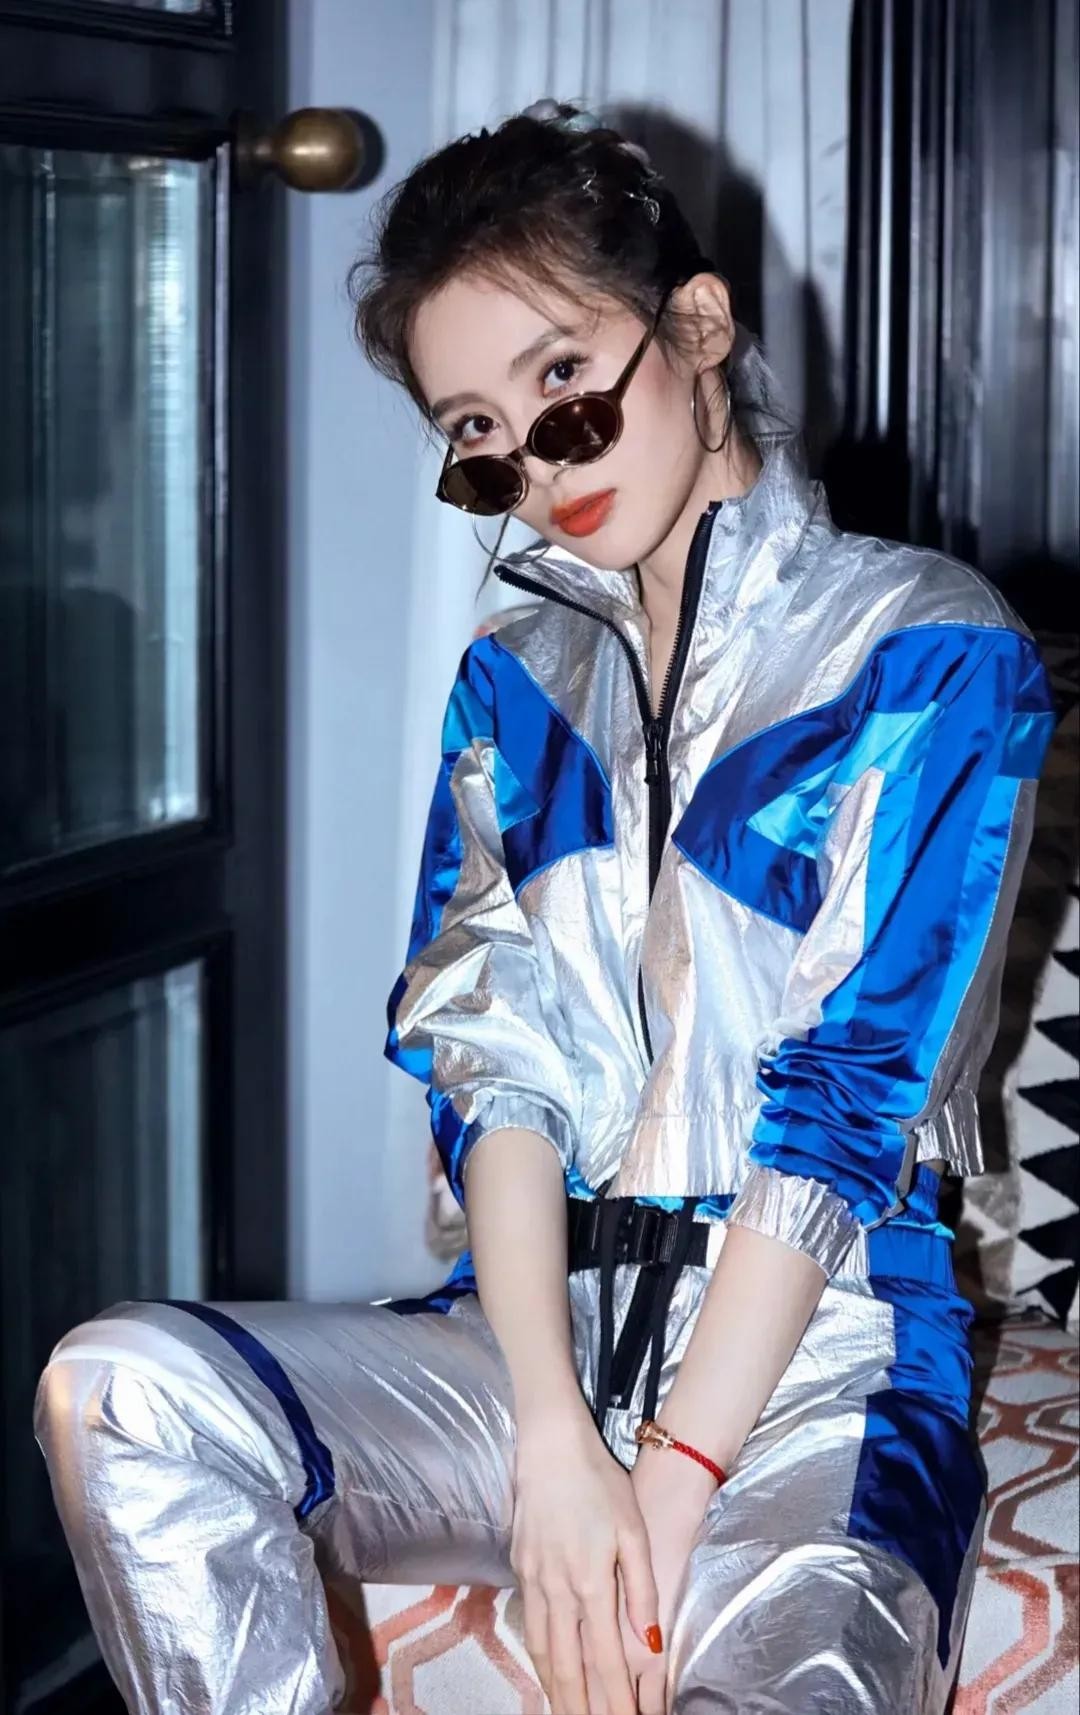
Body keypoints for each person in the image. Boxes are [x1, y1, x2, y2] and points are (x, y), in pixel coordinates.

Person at [33, 101, 1055, 1715]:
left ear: (696, 328)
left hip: (822, 1374)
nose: (537, 461)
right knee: (120, 1391)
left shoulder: (925, 650)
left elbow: (847, 1109)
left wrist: (670, 1486)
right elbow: (492, 1071)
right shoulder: (513, 684)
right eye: (481, 431)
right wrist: (560, 1448)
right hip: (538, 1352)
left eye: (564, 380)